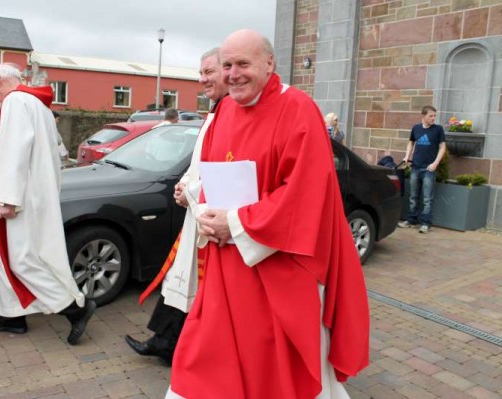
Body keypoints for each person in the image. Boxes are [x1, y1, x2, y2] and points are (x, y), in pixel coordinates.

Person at [165, 30, 369, 399]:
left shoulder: (297, 108)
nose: (233, 74)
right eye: (227, 65)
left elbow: (305, 193)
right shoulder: (224, 109)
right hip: (228, 260)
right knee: (208, 358)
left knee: (274, 364)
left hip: (280, 263)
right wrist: (197, 197)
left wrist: (238, 223)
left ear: (269, 64)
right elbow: (212, 170)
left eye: (243, 64)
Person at [0, 64, 96, 344]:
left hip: (22, 196)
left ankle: (75, 310)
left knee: (22, 259)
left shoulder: (14, 101)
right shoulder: (38, 105)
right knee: (10, 254)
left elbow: (14, 152)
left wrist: (9, 198)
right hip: (37, 192)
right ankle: (12, 315)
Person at [125, 48, 228, 363]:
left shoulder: (232, 113)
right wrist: (185, 185)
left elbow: (227, 169)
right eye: (201, 73)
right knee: (182, 282)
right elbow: (201, 161)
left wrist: (193, 191)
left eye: (209, 72)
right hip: (197, 211)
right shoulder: (216, 113)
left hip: (212, 219)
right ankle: (166, 342)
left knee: (193, 287)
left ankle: (172, 345)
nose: (202, 79)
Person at [398, 105, 446, 234]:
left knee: (427, 198)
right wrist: (407, 157)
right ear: (423, 116)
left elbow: (442, 147)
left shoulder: (438, 129)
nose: (433, 118)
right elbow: (411, 142)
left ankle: (425, 223)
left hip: (429, 169)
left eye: (434, 116)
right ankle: (411, 220)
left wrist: (435, 163)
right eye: (431, 116)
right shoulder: (416, 128)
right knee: (413, 196)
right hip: (416, 167)